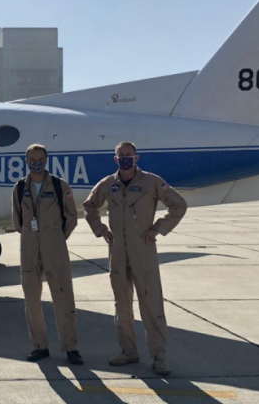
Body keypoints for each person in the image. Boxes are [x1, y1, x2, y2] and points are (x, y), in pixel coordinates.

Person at [83, 141, 187, 376]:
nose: (125, 159)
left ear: (137, 158)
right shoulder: (108, 184)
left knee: (151, 304)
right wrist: (100, 229)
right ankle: (128, 350)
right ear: (115, 159)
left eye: (129, 155)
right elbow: (90, 206)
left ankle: (159, 356)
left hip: (143, 251)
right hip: (118, 252)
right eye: (121, 156)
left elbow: (179, 205)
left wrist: (159, 228)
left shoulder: (151, 182)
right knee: (122, 305)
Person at [11, 144, 82, 365]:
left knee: (63, 297)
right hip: (29, 245)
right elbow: (17, 220)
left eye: (40, 158)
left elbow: (71, 217)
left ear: (46, 160)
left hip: (54, 245)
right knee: (31, 299)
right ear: (26, 160)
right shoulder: (20, 187)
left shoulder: (60, 186)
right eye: (33, 158)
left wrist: (57, 239)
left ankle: (71, 347)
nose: (36, 162)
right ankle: (40, 346)